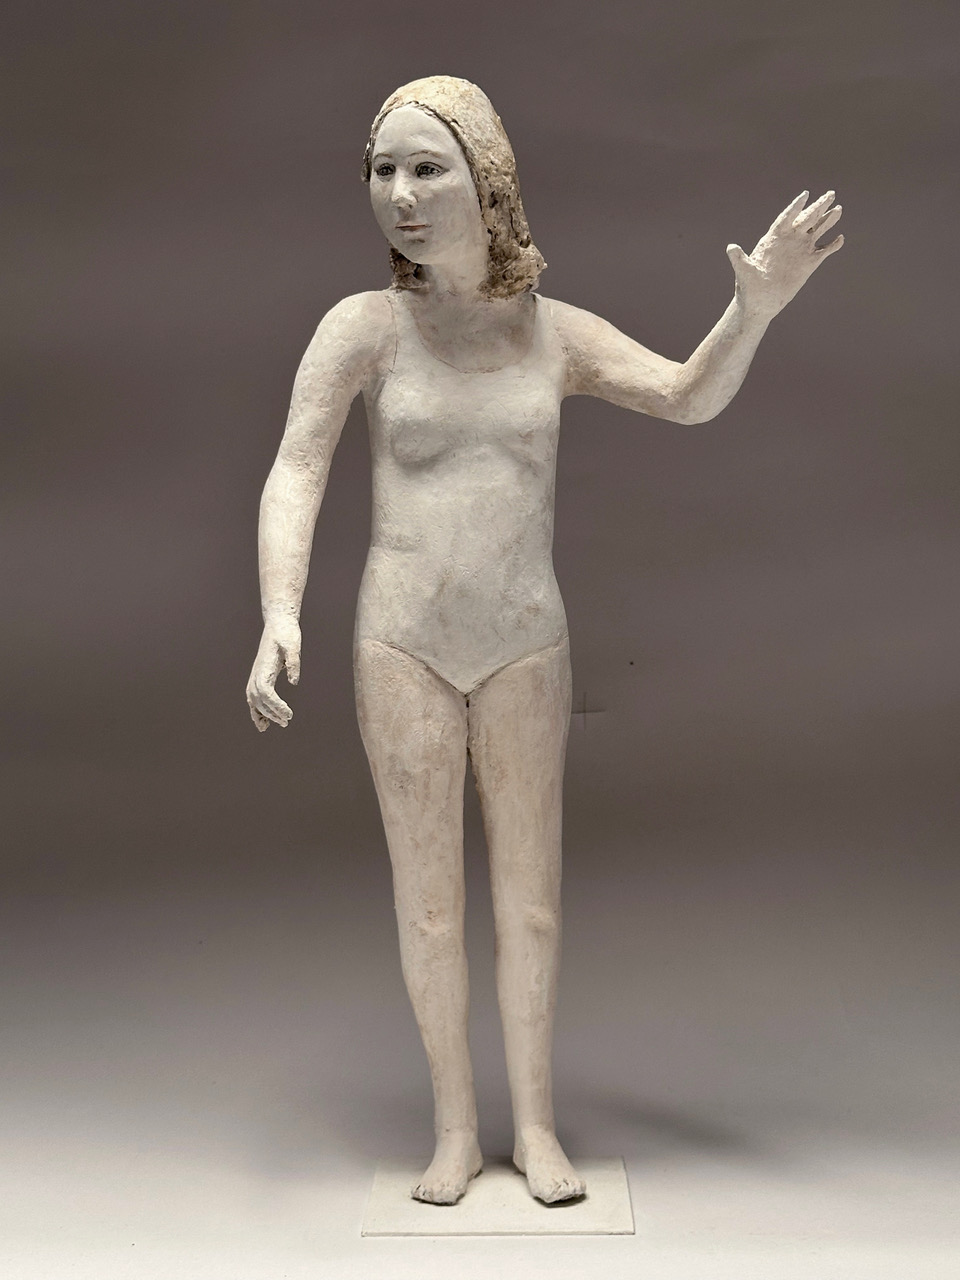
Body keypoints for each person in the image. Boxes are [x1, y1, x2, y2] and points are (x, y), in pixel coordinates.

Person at [246, 75, 843, 1205]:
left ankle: (535, 1126)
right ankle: (453, 1131)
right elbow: (296, 467)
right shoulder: (363, 329)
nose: (400, 193)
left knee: (530, 902)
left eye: (428, 168)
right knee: (429, 904)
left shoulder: (553, 334)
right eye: (383, 170)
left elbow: (685, 395)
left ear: (488, 180)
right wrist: (281, 609)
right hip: (403, 642)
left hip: (524, 639)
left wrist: (756, 310)